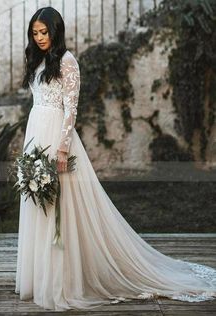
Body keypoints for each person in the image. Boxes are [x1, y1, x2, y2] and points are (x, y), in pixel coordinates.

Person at [15, 6, 216, 312]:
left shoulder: (67, 62)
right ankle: (37, 275)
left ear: (56, 31)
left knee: (61, 207)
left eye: (45, 32)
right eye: (35, 33)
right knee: (38, 203)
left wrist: (62, 149)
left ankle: (61, 279)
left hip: (57, 137)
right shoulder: (37, 61)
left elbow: (71, 109)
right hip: (35, 133)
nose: (40, 38)